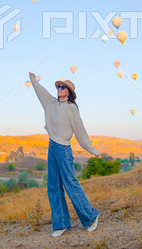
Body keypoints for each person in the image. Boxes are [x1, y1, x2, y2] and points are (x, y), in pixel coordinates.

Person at [29, 72, 100, 237]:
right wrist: (33, 80)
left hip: (64, 149)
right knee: (53, 186)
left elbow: (80, 131)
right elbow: (41, 92)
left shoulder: (71, 108)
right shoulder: (51, 103)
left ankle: (90, 217)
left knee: (70, 184)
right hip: (52, 146)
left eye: (62, 87)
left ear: (69, 91)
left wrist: (91, 149)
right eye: (58, 86)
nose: (59, 89)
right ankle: (60, 224)